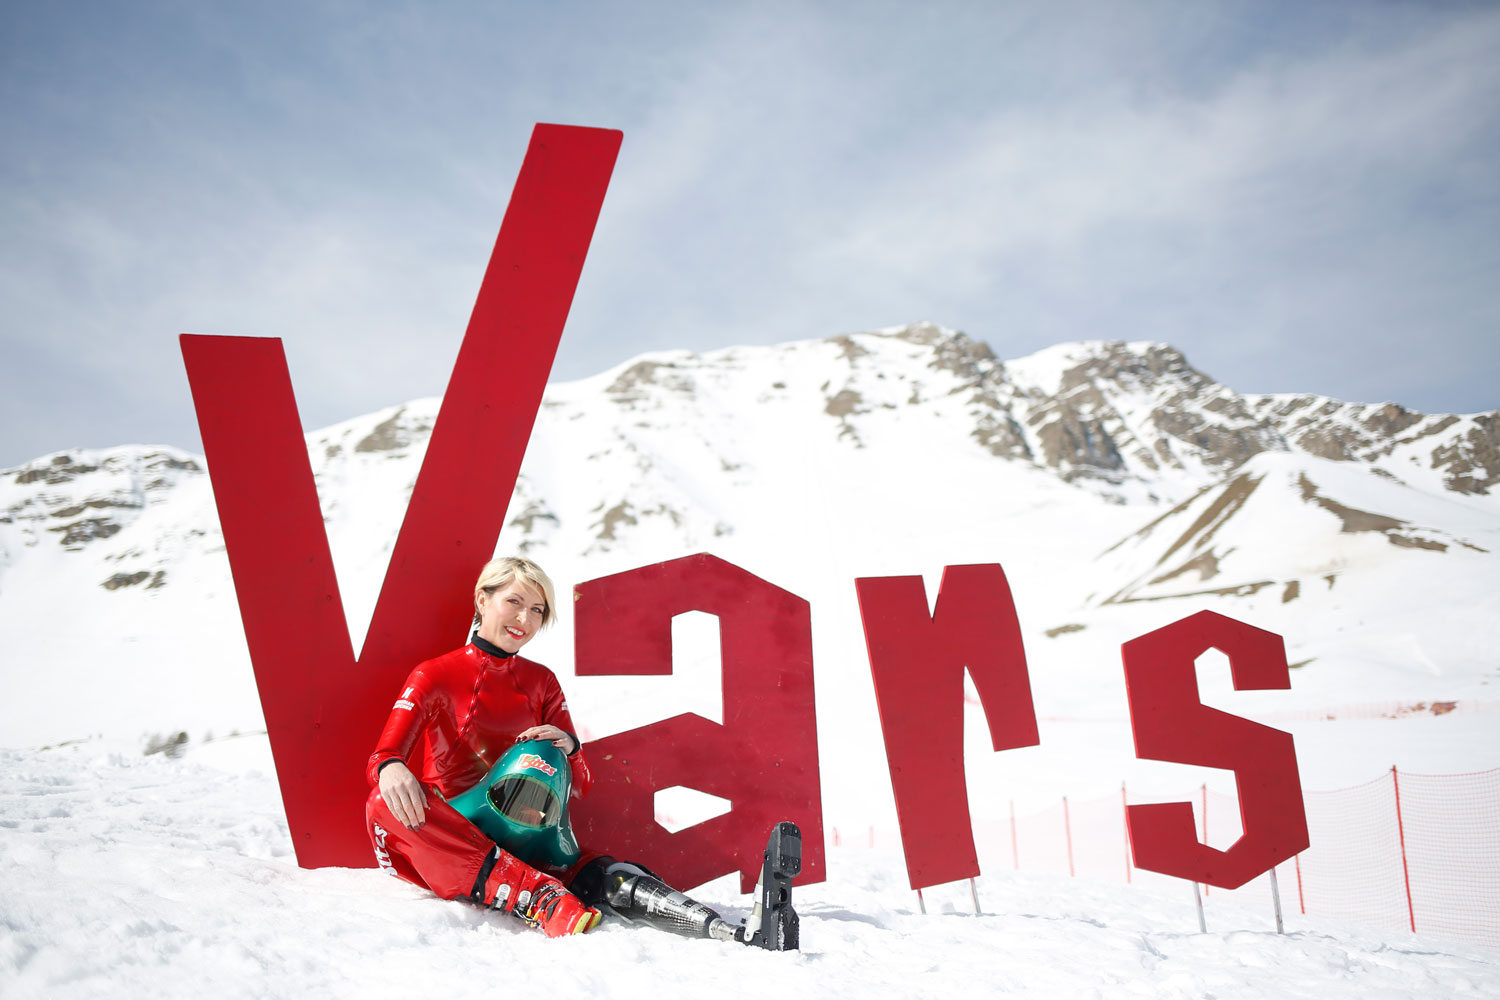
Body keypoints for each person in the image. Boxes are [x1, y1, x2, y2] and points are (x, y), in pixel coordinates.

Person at [365, 555, 754, 942]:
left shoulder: (541, 681)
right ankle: (538, 896)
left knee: (605, 871)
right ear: (482, 600)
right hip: (458, 832)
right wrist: (391, 768)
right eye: (514, 602)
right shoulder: (434, 674)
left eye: (537, 610)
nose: (525, 619)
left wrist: (569, 747)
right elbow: (383, 757)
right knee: (381, 804)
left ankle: (728, 931)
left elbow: (580, 785)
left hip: (534, 835)